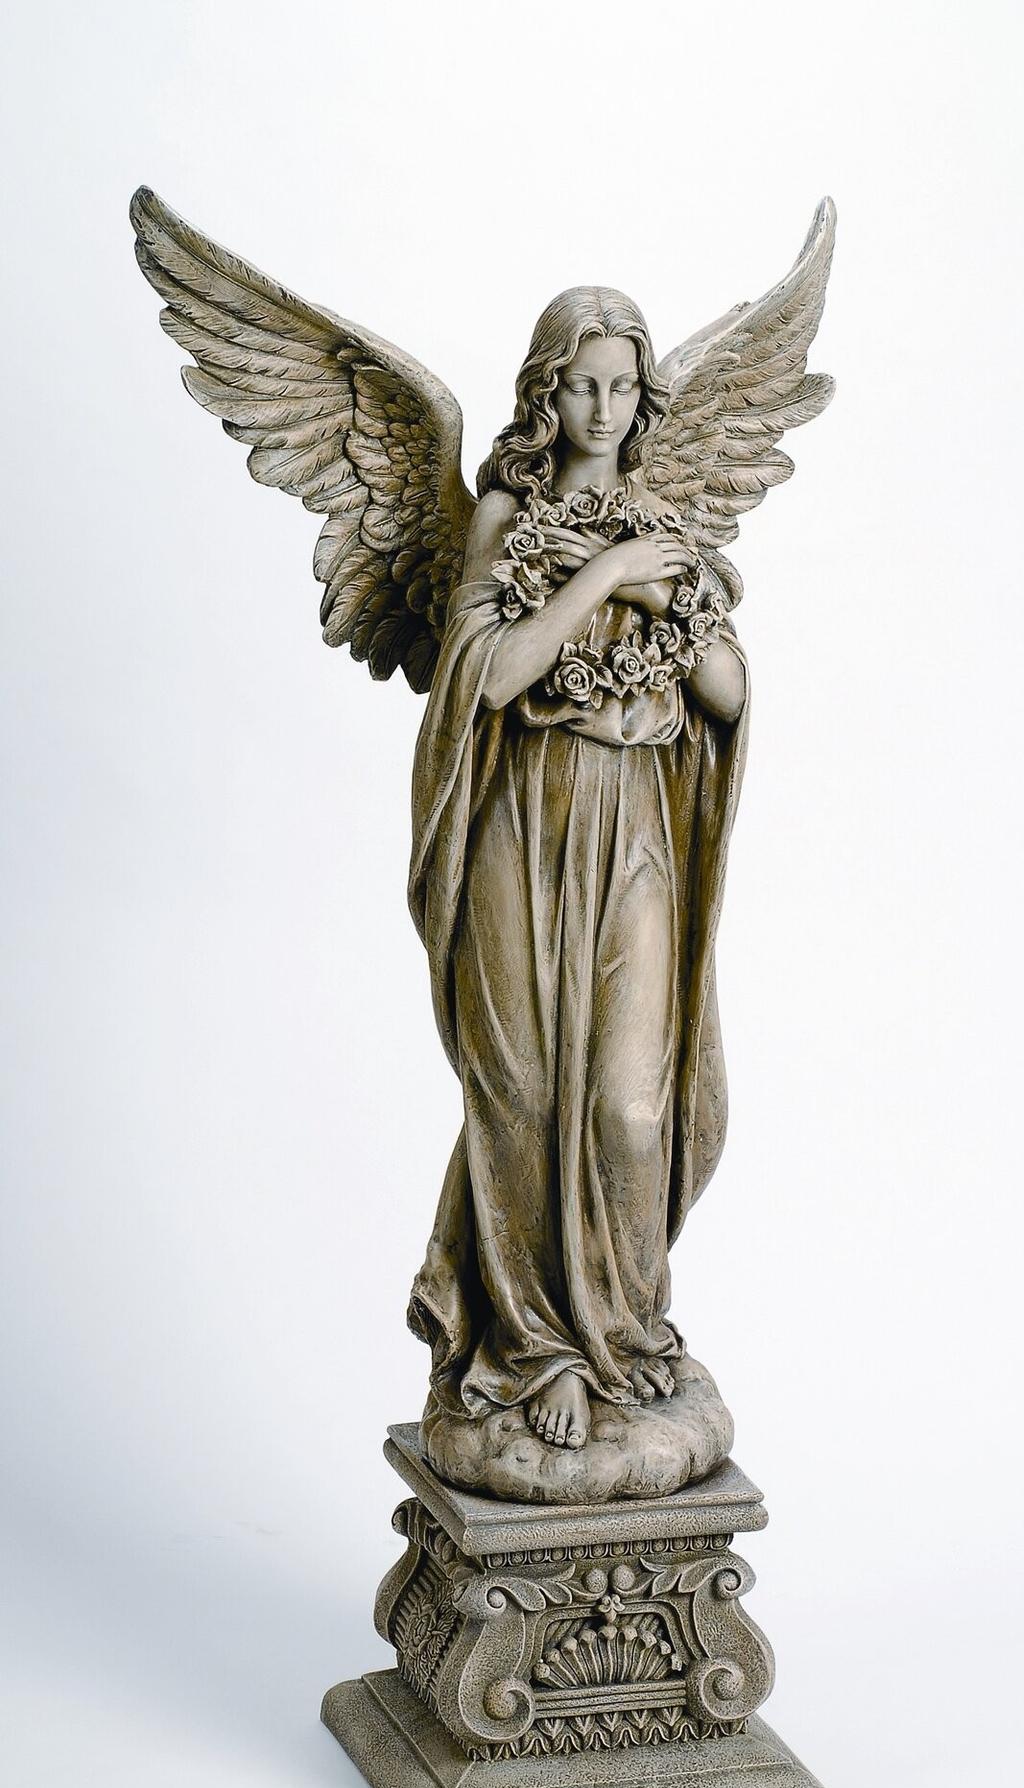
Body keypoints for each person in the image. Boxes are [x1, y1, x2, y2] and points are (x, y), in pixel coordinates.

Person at [407, 288, 749, 1452]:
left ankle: (623, 1333)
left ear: (643, 396)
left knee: (628, 1104)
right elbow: (493, 676)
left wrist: (661, 586)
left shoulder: (664, 520)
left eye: (620, 385)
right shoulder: (510, 516)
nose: (602, 408)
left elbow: (726, 693)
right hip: (525, 822)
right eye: (581, 384)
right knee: (521, 1090)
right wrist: (602, 579)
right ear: (544, 391)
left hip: (634, 823)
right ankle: (539, 1351)